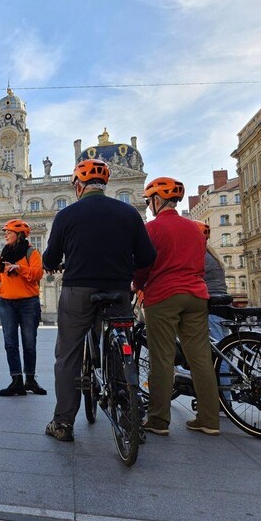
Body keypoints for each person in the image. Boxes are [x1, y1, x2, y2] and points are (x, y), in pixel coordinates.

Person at [42, 159, 156, 442]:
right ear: (105, 185)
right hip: (118, 290)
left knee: (67, 354)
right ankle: (130, 413)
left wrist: (57, 263)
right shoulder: (129, 213)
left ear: (78, 186)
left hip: (78, 290)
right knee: (121, 344)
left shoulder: (67, 215)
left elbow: (50, 257)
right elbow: (147, 258)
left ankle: (63, 423)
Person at [134, 177, 220, 437]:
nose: (149, 207)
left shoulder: (153, 228)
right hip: (196, 295)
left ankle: (159, 420)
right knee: (201, 357)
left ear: (157, 200)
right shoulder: (195, 229)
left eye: (150, 202)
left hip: (164, 295)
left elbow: (143, 265)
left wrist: (136, 285)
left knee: (162, 357)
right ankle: (209, 420)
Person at [0, 219, 46, 397]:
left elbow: (38, 273)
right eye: (5, 232)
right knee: (10, 343)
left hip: (28, 302)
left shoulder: (31, 252)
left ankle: (30, 379)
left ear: (19, 234)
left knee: (29, 343)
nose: (5, 234)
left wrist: (19, 268)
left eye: (8, 232)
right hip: (6, 302)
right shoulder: (3, 254)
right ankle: (16, 381)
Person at [194, 221, 228, 341]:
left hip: (211, 306)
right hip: (223, 305)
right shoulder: (212, 255)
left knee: (218, 351)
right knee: (225, 348)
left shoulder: (198, 255)